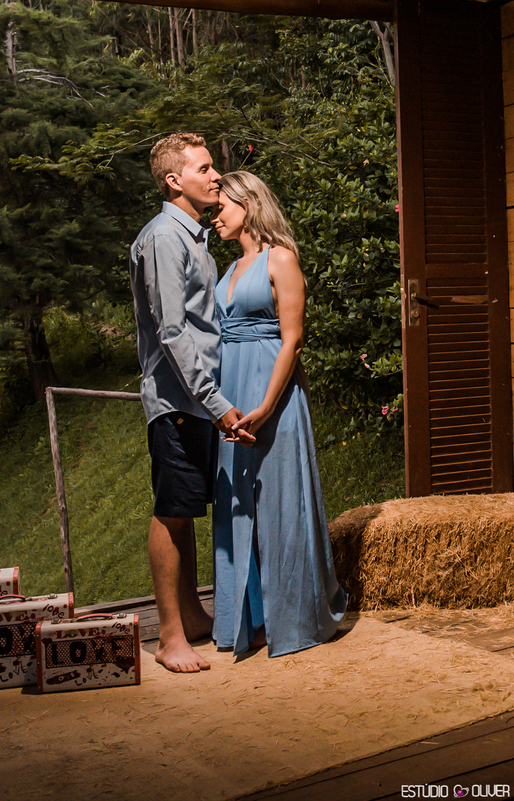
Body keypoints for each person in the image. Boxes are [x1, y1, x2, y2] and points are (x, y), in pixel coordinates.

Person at [129, 133, 253, 673]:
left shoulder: (194, 239)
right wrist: (215, 400)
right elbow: (173, 333)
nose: (216, 176)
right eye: (204, 169)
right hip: (178, 400)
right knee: (172, 511)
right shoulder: (163, 237)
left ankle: (194, 614)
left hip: (198, 402)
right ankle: (169, 636)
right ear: (174, 180)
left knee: (188, 514)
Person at [211, 170, 346, 657]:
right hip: (231, 401)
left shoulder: (281, 258)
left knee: (282, 504)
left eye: (222, 205)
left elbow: (292, 338)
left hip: (274, 395)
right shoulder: (228, 271)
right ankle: (250, 621)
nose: (216, 214)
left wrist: (266, 406)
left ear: (247, 203)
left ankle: (296, 614)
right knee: (236, 506)